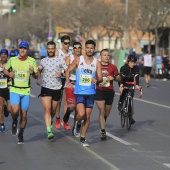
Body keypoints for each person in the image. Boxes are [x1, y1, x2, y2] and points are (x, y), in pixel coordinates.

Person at [65, 40, 103, 147]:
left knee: (87, 115)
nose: (90, 50)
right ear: (85, 49)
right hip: (80, 92)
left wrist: (97, 79)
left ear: (94, 49)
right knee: (81, 114)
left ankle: (82, 138)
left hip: (91, 92)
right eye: (88, 48)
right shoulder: (78, 60)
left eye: (92, 48)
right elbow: (68, 70)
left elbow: (100, 78)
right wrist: (68, 82)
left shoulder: (97, 62)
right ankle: (77, 123)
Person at [4, 40, 38, 144]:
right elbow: (5, 70)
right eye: (21, 48)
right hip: (14, 89)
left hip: (26, 91)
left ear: (27, 50)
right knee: (15, 111)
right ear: (19, 49)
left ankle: (21, 134)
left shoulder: (32, 61)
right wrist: (9, 74)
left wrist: (33, 73)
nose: (22, 50)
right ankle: (14, 121)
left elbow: (36, 76)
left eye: (24, 48)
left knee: (24, 115)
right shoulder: (12, 60)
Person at [37, 41, 68, 140]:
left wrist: (62, 74)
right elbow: (39, 70)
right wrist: (38, 78)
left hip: (57, 88)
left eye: (52, 49)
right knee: (47, 109)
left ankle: (50, 121)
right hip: (46, 87)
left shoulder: (60, 60)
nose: (50, 51)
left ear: (55, 49)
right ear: (47, 50)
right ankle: (48, 130)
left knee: (53, 110)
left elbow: (67, 70)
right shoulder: (43, 61)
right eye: (49, 49)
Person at [95, 49, 120, 140]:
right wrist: (97, 81)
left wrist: (113, 77)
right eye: (104, 55)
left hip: (109, 91)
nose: (106, 57)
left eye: (108, 55)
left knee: (107, 113)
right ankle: (103, 131)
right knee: (101, 111)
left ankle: (102, 123)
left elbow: (118, 78)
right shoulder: (97, 66)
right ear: (100, 56)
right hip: (99, 90)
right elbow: (92, 77)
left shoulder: (113, 67)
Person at [62, 42, 82, 134]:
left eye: (79, 48)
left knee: (79, 108)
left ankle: (75, 127)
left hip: (81, 85)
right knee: (72, 107)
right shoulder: (68, 58)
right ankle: (67, 115)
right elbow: (66, 71)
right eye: (75, 48)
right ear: (73, 49)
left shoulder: (84, 59)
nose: (77, 49)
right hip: (71, 84)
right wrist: (68, 82)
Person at [55, 35, 72, 130]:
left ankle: (65, 121)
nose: (67, 45)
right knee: (59, 100)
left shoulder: (71, 53)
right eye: (65, 43)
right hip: (59, 78)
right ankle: (57, 118)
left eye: (68, 43)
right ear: (62, 44)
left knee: (67, 100)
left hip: (68, 78)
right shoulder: (58, 52)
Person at [117, 54, 141, 124]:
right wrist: (121, 85)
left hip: (130, 83)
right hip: (123, 82)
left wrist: (137, 85)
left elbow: (137, 77)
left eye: (134, 62)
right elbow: (121, 78)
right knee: (124, 92)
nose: (132, 64)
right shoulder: (123, 68)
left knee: (130, 99)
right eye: (131, 62)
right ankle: (120, 103)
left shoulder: (136, 68)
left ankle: (130, 118)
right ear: (128, 61)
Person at [0, 49, 12, 132]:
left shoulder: (10, 64)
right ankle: (1, 124)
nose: (3, 55)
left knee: (10, 109)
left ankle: (6, 109)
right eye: (2, 54)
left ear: (7, 55)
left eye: (5, 54)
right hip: (0, 88)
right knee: (0, 108)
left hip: (8, 88)